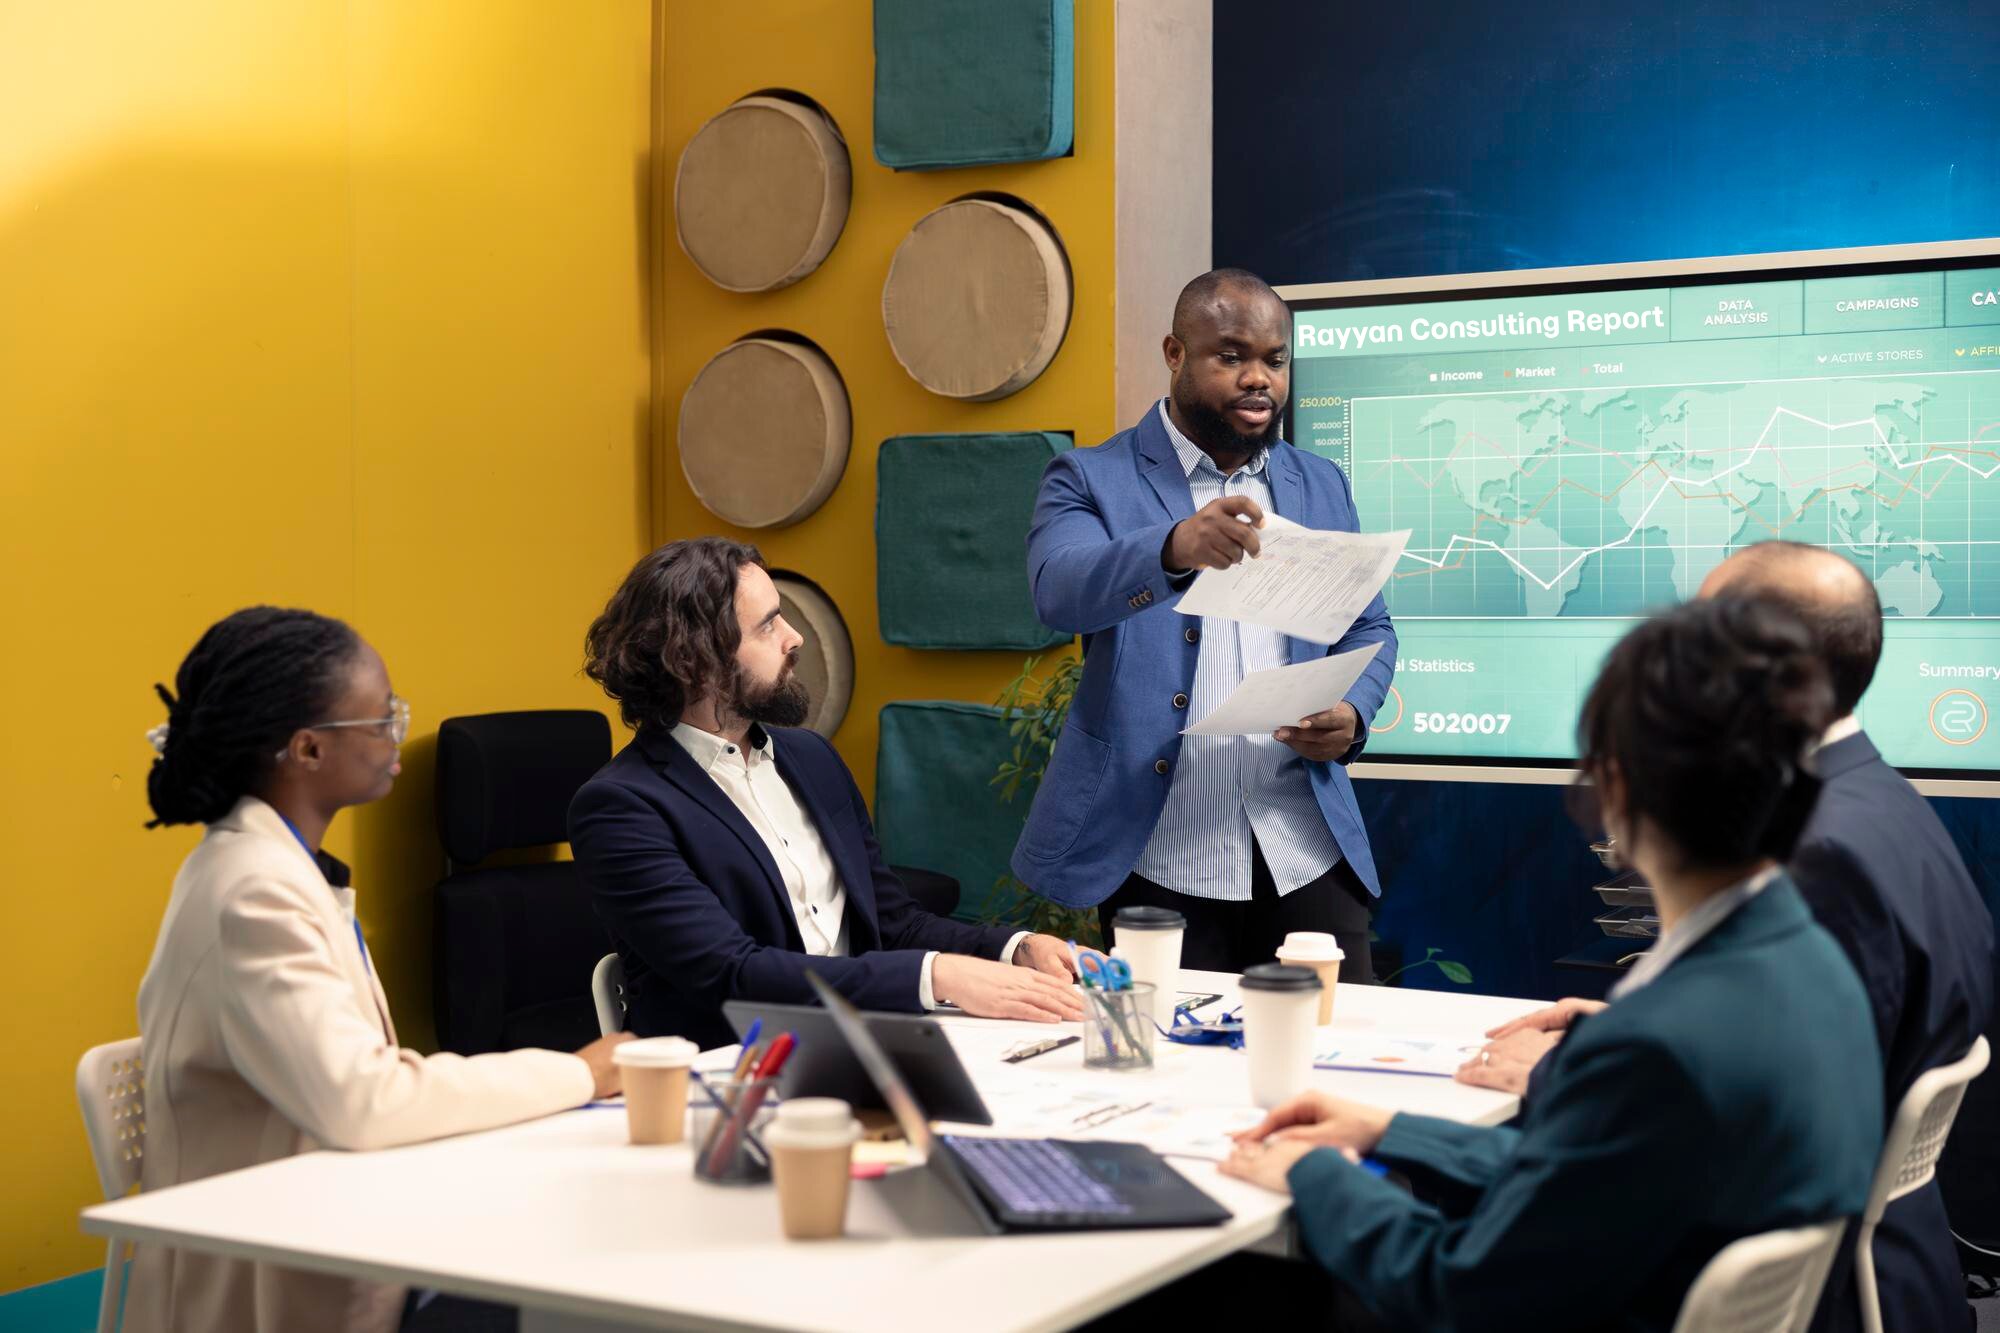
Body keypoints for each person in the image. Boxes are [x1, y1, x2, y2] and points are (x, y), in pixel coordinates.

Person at [1219, 596, 1882, 1332]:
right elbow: (1589, 1182)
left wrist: (1311, 1172)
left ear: (1616, 787)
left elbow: (1455, 1292)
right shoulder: (1810, 960)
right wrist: (1391, 1131)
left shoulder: (1658, 1046)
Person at [1464, 542, 1995, 1332]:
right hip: (1898, 1261)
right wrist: (1628, 1036)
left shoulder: (1813, 850)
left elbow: (1763, 1123)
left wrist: (1561, 1076)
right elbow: (1810, 1044)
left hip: (1810, 1284)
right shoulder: (1874, 795)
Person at [130, 608, 629, 1333]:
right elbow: (364, 1098)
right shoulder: (253, 892)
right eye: (380, 717)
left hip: (327, 1220)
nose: (396, 731)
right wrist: (581, 1072)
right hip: (270, 1279)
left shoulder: (271, 867)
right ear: (308, 749)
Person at [1011, 268, 1396, 977]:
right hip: (1158, 854)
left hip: (1303, 845)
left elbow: (1369, 627)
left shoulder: (1321, 481)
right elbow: (1057, 591)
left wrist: (1353, 711)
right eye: (1231, 355)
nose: (1259, 379)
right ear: (1175, 353)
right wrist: (1171, 549)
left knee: (1338, 1033)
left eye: (1275, 360)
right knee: (1176, 1043)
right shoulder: (1089, 477)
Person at [567, 538, 1085, 1049]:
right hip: (736, 1070)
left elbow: (893, 923)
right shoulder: (620, 808)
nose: (794, 637)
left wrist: (1016, 949)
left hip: (867, 1044)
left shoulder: (811, 757)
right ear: (693, 662)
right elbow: (730, 972)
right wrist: (935, 976)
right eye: (768, 624)